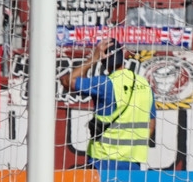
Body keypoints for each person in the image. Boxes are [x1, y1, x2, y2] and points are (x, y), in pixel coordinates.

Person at [59, 38, 156, 171]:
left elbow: (67, 81)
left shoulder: (105, 84)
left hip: (103, 159)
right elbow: (151, 125)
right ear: (123, 55)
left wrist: (93, 59)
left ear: (103, 61)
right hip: (133, 162)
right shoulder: (145, 85)